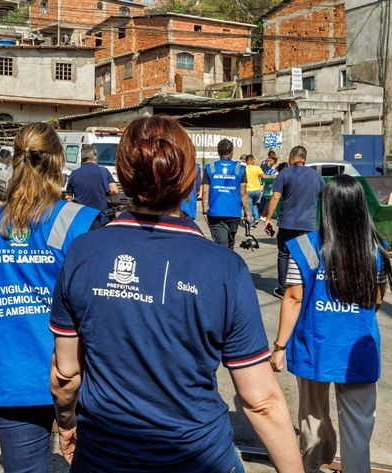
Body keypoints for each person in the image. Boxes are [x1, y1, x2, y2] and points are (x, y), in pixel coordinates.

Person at [49, 115, 304, 473]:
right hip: (198, 457)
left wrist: (66, 422)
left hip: (103, 456)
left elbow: (65, 373)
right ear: (188, 181)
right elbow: (260, 400)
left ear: (122, 176)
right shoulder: (224, 268)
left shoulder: (83, 253)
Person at [0, 123, 100, 473]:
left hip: (13, 377)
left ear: (14, 160)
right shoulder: (82, 221)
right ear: (58, 161)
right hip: (79, 377)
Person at [271, 175, 392, 473]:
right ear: (361, 206)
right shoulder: (377, 248)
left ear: (325, 206)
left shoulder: (304, 246)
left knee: (312, 421)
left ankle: (313, 466)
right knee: (358, 428)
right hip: (358, 348)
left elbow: (292, 297)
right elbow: (376, 300)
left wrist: (279, 347)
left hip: (315, 345)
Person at [264, 146, 324, 298]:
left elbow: (276, 197)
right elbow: (325, 198)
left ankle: (283, 289)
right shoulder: (316, 176)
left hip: (287, 225)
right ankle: (310, 287)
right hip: (307, 226)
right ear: (305, 158)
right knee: (309, 257)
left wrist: (269, 219)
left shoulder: (284, 173)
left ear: (291, 157)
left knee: (284, 255)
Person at [202, 138, 249, 248]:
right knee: (229, 245)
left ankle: (225, 264)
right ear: (232, 152)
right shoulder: (240, 168)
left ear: (218, 152)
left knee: (222, 245)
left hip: (215, 213)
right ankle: (227, 264)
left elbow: (205, 191)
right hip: (234, 213)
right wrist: (247, 213)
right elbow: (243, 192)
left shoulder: (210, 167)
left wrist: (204, 211)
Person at [66, 143, 119, 224]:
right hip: (100, 217)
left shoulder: (73, 174)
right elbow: (115, 191)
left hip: (81, 216)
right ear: (95, 157)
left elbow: (68, 198)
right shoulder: (103, 171)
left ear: (82, 158)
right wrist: (103, 193)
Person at [245, 155, 268, 228]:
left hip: (248, 190)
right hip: (257, 191)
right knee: (255, 204)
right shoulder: (257, 168)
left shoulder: (244, 168)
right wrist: (273, 176)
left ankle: (251, 224)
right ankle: (256, 218)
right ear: (251, 160)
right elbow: (264, 176)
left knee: (249, 207)